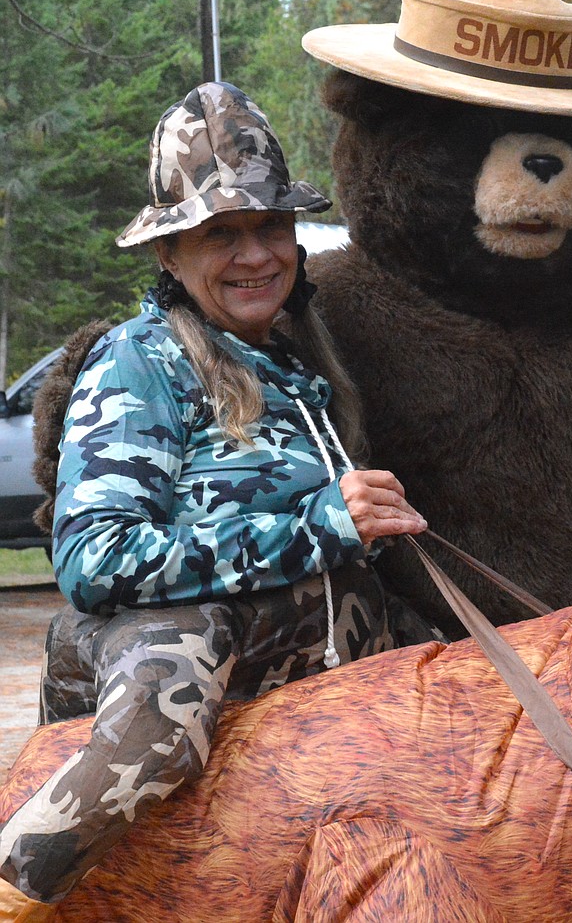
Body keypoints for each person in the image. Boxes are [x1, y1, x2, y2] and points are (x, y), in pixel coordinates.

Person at [0, 81, 427, 920]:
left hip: (298, 650)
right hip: (151, 652)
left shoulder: (304, 363)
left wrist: (367, 524)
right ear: (169, 252)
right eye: (220, 233)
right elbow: (93, 560)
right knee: (181, 656)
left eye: (271, 226)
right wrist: (319, 527)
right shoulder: (139, 362)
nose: (256, 254)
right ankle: (18, 880)